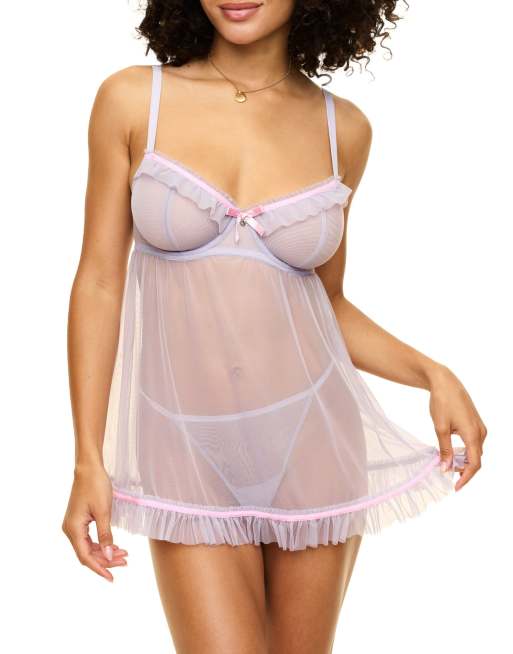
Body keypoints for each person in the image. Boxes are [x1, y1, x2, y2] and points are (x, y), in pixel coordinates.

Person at [62, 1, 487, 652]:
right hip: (187, 448)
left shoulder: (342, 130)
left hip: (312, 445)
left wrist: (434, 374)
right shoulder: (132, 100)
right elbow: (98, 282)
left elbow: (326, 303)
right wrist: (88, 460)